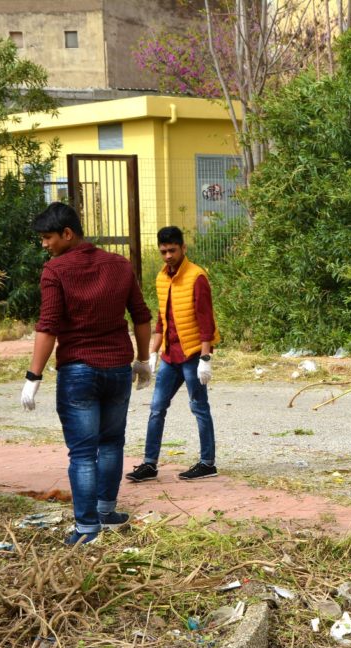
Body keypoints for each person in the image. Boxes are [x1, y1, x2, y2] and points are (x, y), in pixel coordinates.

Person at [20, 202, 152, 546]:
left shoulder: (56, 271)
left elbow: (48, 326)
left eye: (48, 237)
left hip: (78, 371)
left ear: (67, 233)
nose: (44, 245)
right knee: (111, 442)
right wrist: (143, 360)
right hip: (117, 369)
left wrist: (33, 377)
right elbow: (141, 316)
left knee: (82, 452)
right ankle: (106, 513)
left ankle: (87, 529)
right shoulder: (120, 265)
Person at [126, 226, 221, 483]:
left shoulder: (196, 277)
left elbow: (206, 321)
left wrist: (205, 359)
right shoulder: (161, 278)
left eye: (172, 250)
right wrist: (151, 355)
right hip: (170, 354)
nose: (168, 256)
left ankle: (207, 463)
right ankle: (149, 464)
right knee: (156, 408)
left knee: (199, 407)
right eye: (163, 251)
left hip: (192, 355)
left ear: (183, 248)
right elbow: (162, 319)